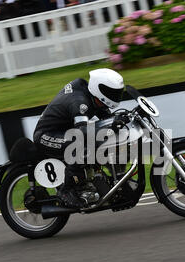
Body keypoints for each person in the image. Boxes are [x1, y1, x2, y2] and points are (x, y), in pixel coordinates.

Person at [33, 68, 125, 208]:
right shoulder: (80, 102)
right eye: (112, 92)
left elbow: (107, 118)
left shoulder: (93, 96)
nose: (115, 95)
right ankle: (66, 191)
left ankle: (102, 181)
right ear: (99, 89)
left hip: (63, 131)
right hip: (46, 135)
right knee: (80, 145)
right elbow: (82, 131)